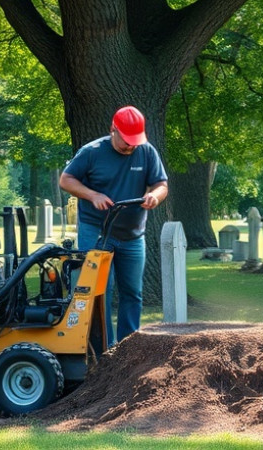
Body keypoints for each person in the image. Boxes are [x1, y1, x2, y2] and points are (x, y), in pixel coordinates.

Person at [59, 105, 169, 346]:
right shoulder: (92, 152)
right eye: (126, 141)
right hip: (97, 233)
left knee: (132, 293)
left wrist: (155, 196)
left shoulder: (147, 152)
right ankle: (103, 351)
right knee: (100, 293)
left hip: (132, 236)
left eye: (135, 141)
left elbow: (161, 184)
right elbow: (66, 180)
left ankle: (127, 350)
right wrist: (91, 195)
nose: (130, 146)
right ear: (113, 130)